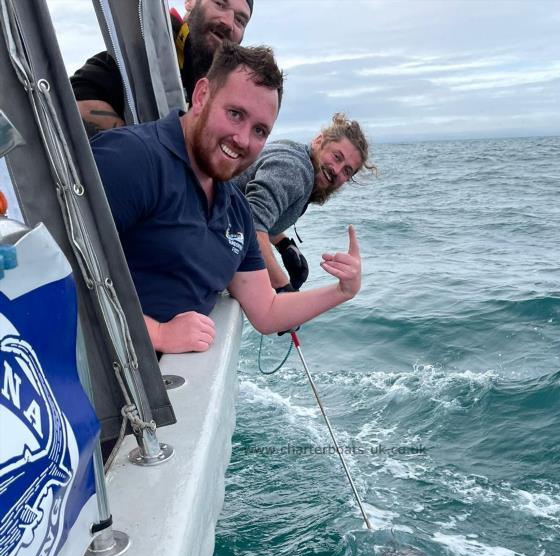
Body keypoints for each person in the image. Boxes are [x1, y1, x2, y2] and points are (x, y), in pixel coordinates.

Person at [90, 43, 361, 354]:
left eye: (260, 130)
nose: (243, 139)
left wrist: (343, 291)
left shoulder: (235, 211)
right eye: (235, 114)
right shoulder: (132, 158)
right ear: (202, 94)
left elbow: (267, 311)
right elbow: (60, 268)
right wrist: (157, 333)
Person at [232, 114, 375, 291]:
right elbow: (251, 223)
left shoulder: (294, 152)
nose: (337, 171)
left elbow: (251, 204)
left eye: (347, 171)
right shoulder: (296, 170)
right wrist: (283, 287)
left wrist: (283, 244)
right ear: (318, 141)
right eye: (337, 157)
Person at [71, 0, 253, 135]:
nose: (228, 22)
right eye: (220, 4)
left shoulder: (224, 87)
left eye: (240, 20)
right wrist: (143, 150)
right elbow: (75, 96)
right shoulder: (149, 52)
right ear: (190, 2)